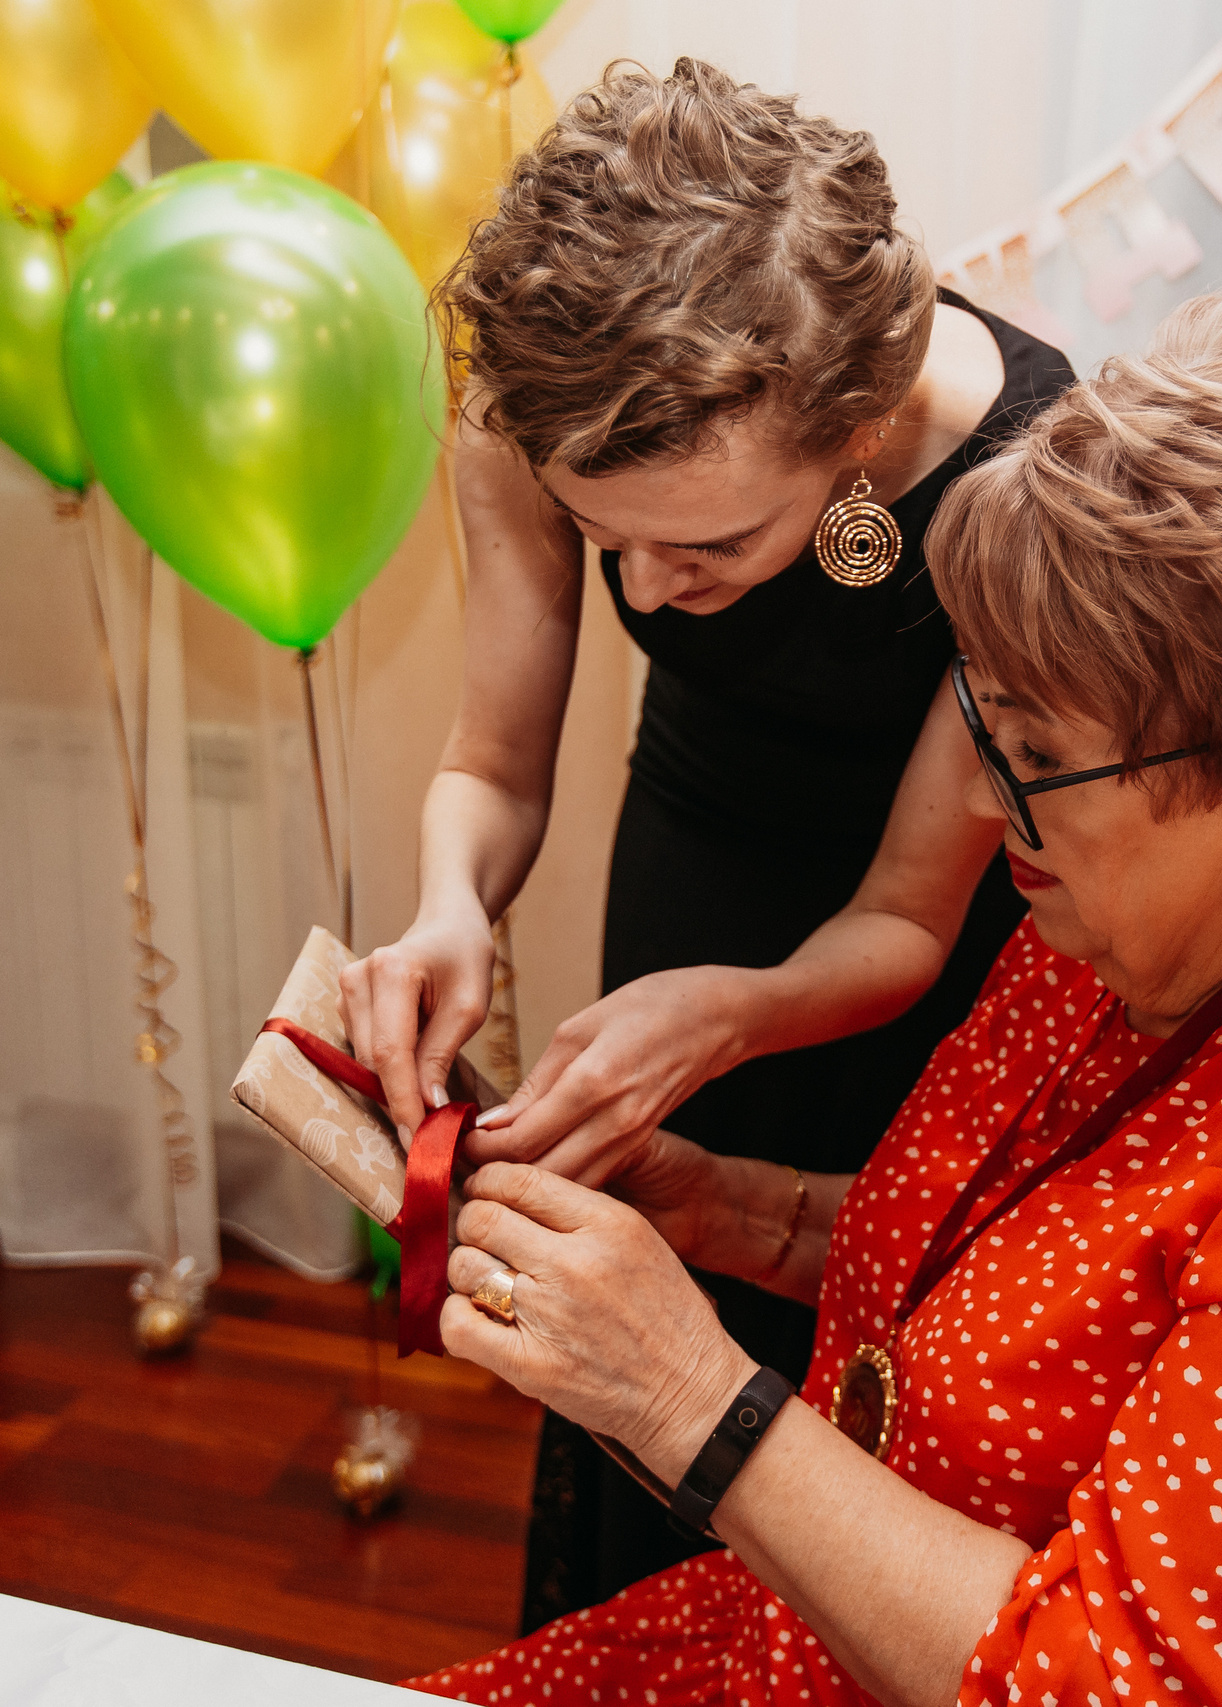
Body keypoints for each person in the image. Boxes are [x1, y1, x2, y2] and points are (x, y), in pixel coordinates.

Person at [400, 284, 1222, 1707]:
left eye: (1028, 752)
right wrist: (719, 1208)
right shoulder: (1163, 900)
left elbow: (1120, 1686)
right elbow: (1030, 1283)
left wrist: (691, 1398)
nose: (982, 801)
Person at [336, 61, 1076, 1619]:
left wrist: (735, 1010)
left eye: (709, 545)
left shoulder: (1028, 476)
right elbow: (491, 757)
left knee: (853, 1420)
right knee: (644, 1364)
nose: (651, 597)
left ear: (859, 424)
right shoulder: (538, 403)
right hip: (688, 871)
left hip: (907, 974)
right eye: (610, 544)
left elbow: (905, 918)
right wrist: (451, 906)